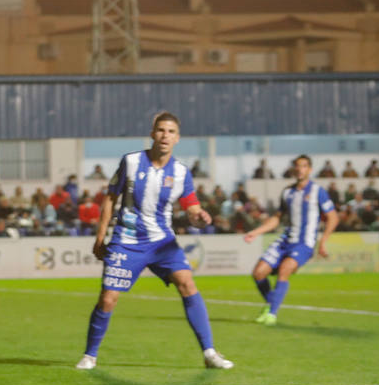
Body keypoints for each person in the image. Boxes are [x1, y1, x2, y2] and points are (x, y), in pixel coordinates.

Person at [75, 112, 233, 371]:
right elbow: (110, 198)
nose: (165, 135)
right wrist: (100, 236)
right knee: (108, 298)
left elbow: (191, 205)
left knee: (187, 284)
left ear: (177, 138)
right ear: (152, 134)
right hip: (126, 241)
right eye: (160, 130)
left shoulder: (181, 172)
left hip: (162, 242)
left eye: (170, 132)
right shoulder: (132, 162)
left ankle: (209, 352)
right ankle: (90, 355)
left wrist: (200, 215)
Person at [242, 154, 338, 326]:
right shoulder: (287, 192)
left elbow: (333, 217)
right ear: (294, 169)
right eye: (297, 166)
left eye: (303, 166)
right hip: (285, 240)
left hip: (304, 243)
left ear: (309, 169)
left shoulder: (318, 191)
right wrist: (256, 232)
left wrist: (323, 241)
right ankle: (272, 303)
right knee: (258, 272)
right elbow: (277, 218)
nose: (300, 169)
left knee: (285, 269)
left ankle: (271, 314)